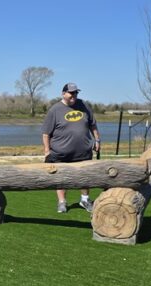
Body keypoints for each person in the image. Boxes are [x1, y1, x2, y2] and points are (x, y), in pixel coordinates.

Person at [41, 82, 101, 213]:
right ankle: (62, 202)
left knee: (85, 177)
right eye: (71, 93)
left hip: (84, 152)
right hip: (60, 153)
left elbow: (93, 125)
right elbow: (46, 134)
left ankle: (85, 200)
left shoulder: (83, 105)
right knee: (61, 178)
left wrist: (97, 140)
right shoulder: (55, 110)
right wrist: (46, 152)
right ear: (63, 94)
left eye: (76, 93)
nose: (74, 95)